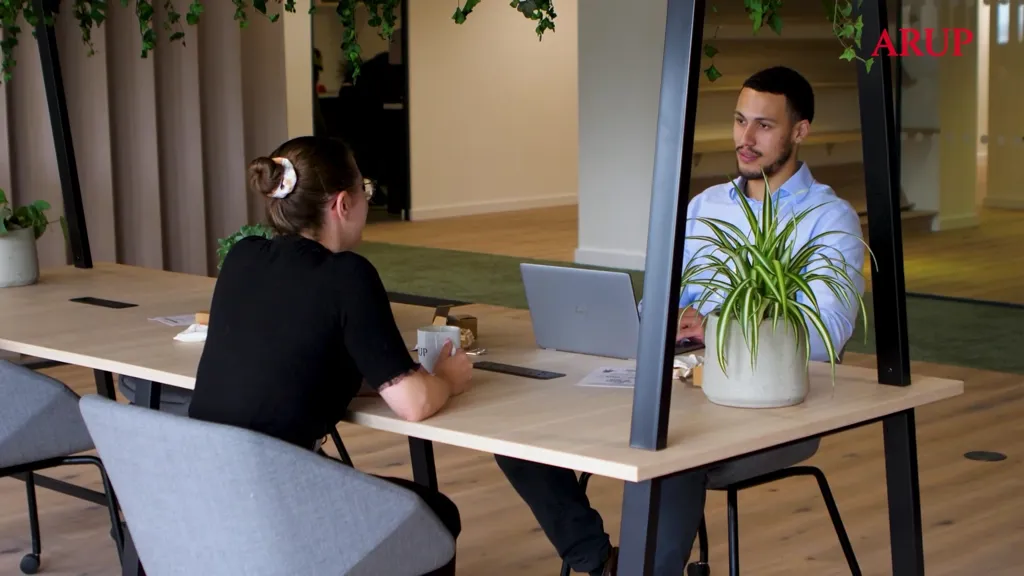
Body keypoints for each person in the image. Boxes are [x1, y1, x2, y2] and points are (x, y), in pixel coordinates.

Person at [495, 66, 865, 576]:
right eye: (739, 122)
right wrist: (657, 321)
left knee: (670, 451)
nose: (746, 139)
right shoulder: (706, 207)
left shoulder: (830, 219)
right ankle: (600, 561)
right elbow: (659, 305)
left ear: (799, 131)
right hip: (679, 381)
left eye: (764, 125)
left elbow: (824, 337)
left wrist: (710, 328)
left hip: (770, 403)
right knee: (517, 433)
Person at [188, 136, 472, 574]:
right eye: (366, 191)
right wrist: (449, 378)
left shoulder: (243, 258)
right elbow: (414, 404)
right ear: (343, 204)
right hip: (280, 498)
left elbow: (287, 349)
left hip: (208, 487)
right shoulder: (347, 275)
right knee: (435, 513)